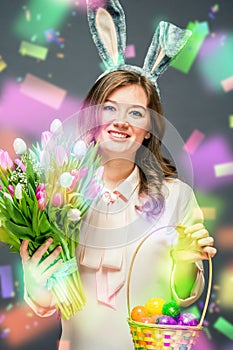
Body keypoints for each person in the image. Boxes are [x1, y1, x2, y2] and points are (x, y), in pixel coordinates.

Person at [20, 1, 217, 349]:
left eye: (137, 113)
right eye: (110, 107)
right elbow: (47, 304)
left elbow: (184, 299)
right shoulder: (58, 198)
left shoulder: (177, 198)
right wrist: (35, 280)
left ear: (148, 132)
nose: (122, 120)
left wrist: (188, 263)